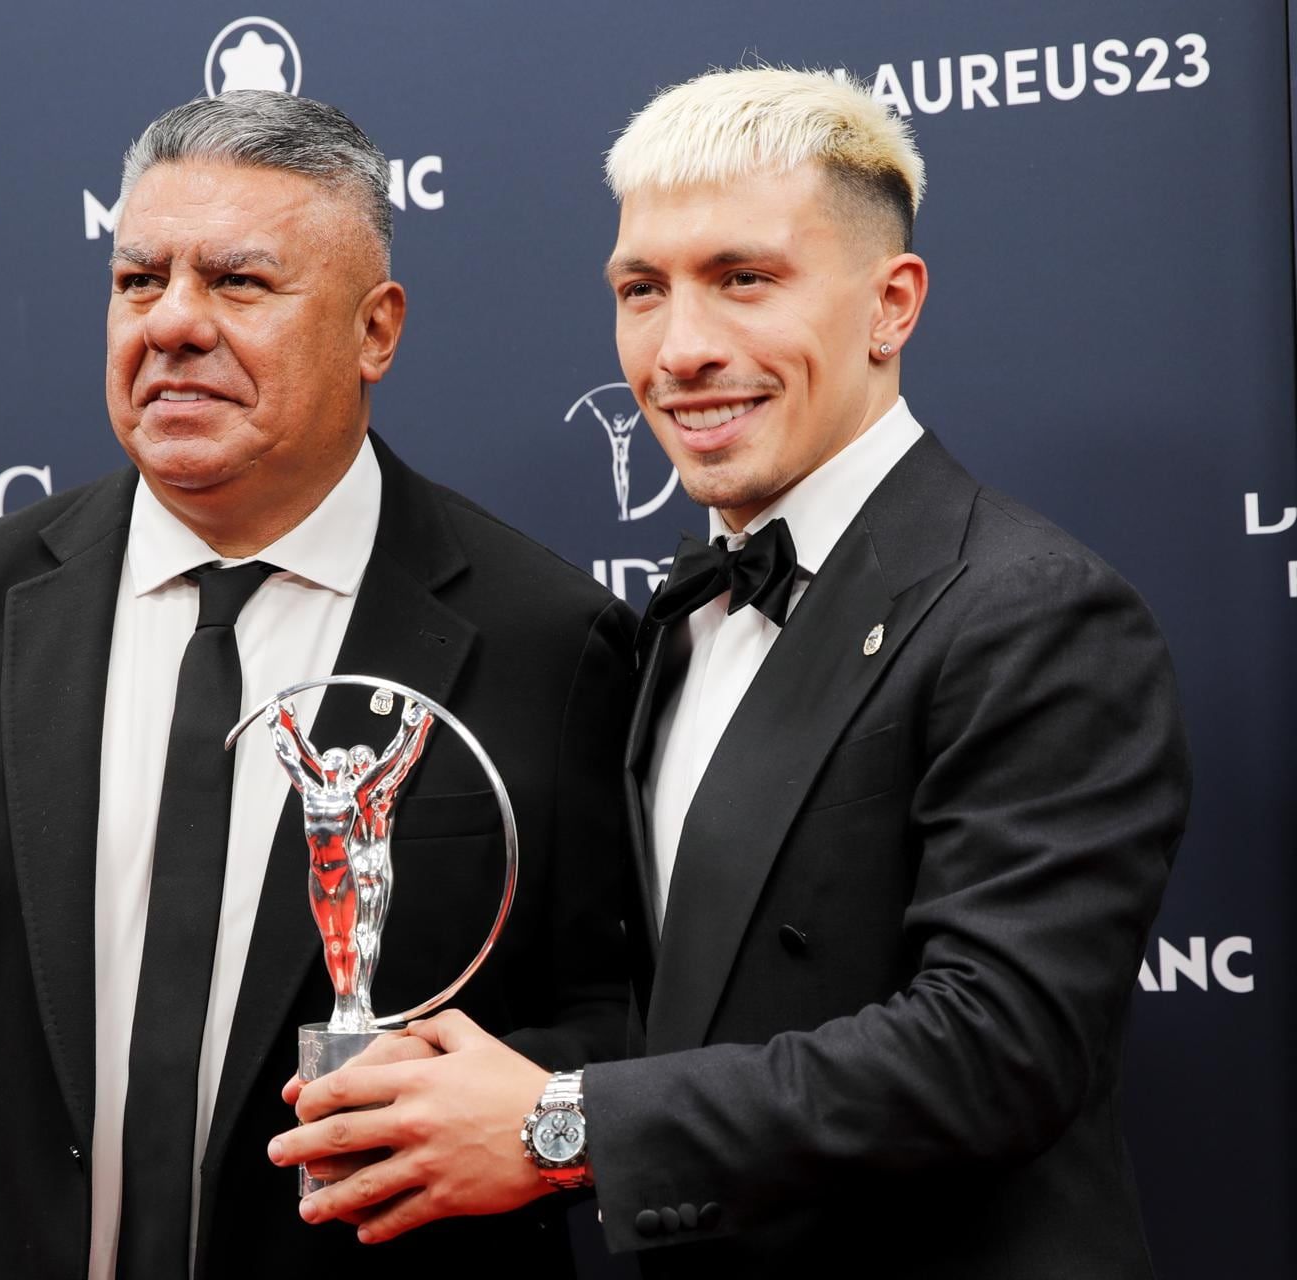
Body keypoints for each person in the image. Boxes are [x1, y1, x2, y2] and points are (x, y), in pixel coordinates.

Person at [274, 67, 1191, 1278]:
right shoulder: (680, 611)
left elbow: (997, 1049)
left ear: (891, 303)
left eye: (745, 280)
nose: (682, 348)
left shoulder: (1034, 610)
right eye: (641, 291)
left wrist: (561, 1122)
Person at [0, 90, 637, 1280]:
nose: (171, 323)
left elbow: (621, 1017)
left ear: (377, 331)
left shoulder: (546, 635)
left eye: (240, 283)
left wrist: (526, 1116)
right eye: (138, 278)